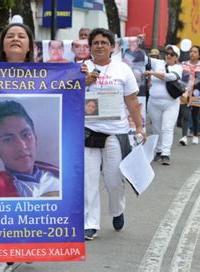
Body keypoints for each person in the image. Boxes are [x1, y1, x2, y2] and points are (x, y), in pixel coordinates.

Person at [82, 28, 146, 240]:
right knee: (88, 180)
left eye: (104, 42)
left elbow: (132, 101)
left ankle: (117, 210)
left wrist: (139, 127)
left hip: (115, 133)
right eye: (95, 42)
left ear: (112, 47)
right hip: (87, 133)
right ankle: (90, 223)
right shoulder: (80, 69)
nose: (99, 46)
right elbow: (66, 93)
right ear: (90, 47)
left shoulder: (123, 70)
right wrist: (82, 82)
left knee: (113, 180)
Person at [0, 22, 36, 272]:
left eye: (21, 36)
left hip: (32, 170)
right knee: (3, 202)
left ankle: (29, 244)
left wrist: (79, 75)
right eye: (10, 36)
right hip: (6, 168)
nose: (16, 39)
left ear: (29, 46)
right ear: (2, 45)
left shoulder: (47, 74)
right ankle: (3, 253)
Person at [0, 100, 60, 198]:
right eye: (8, 139)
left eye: (26, 135)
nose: (22, 145)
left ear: (36, 140)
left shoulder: (61, 176)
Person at [143, 44, 182, 165]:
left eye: (172, 54)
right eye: (167, 53)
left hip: (171, 104)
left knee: (167, 128)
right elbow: (143, 58)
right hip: (154, 102)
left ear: (176, 57)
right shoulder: (158, 63)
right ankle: (159, 151)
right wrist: (138, 43)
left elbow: (171, 77)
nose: (168, 56)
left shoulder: (178, 67)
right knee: (156, 128)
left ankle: (166, 153)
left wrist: (152, 73)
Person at [179, 45, 200, 145]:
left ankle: (195, 135)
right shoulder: (184, 64)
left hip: (197, 93)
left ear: (199, 55)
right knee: (185, 115)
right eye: (191, 51)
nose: (192, 53)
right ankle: (184, 137)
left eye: (195, 52)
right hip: (185, 92)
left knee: (195, 116)